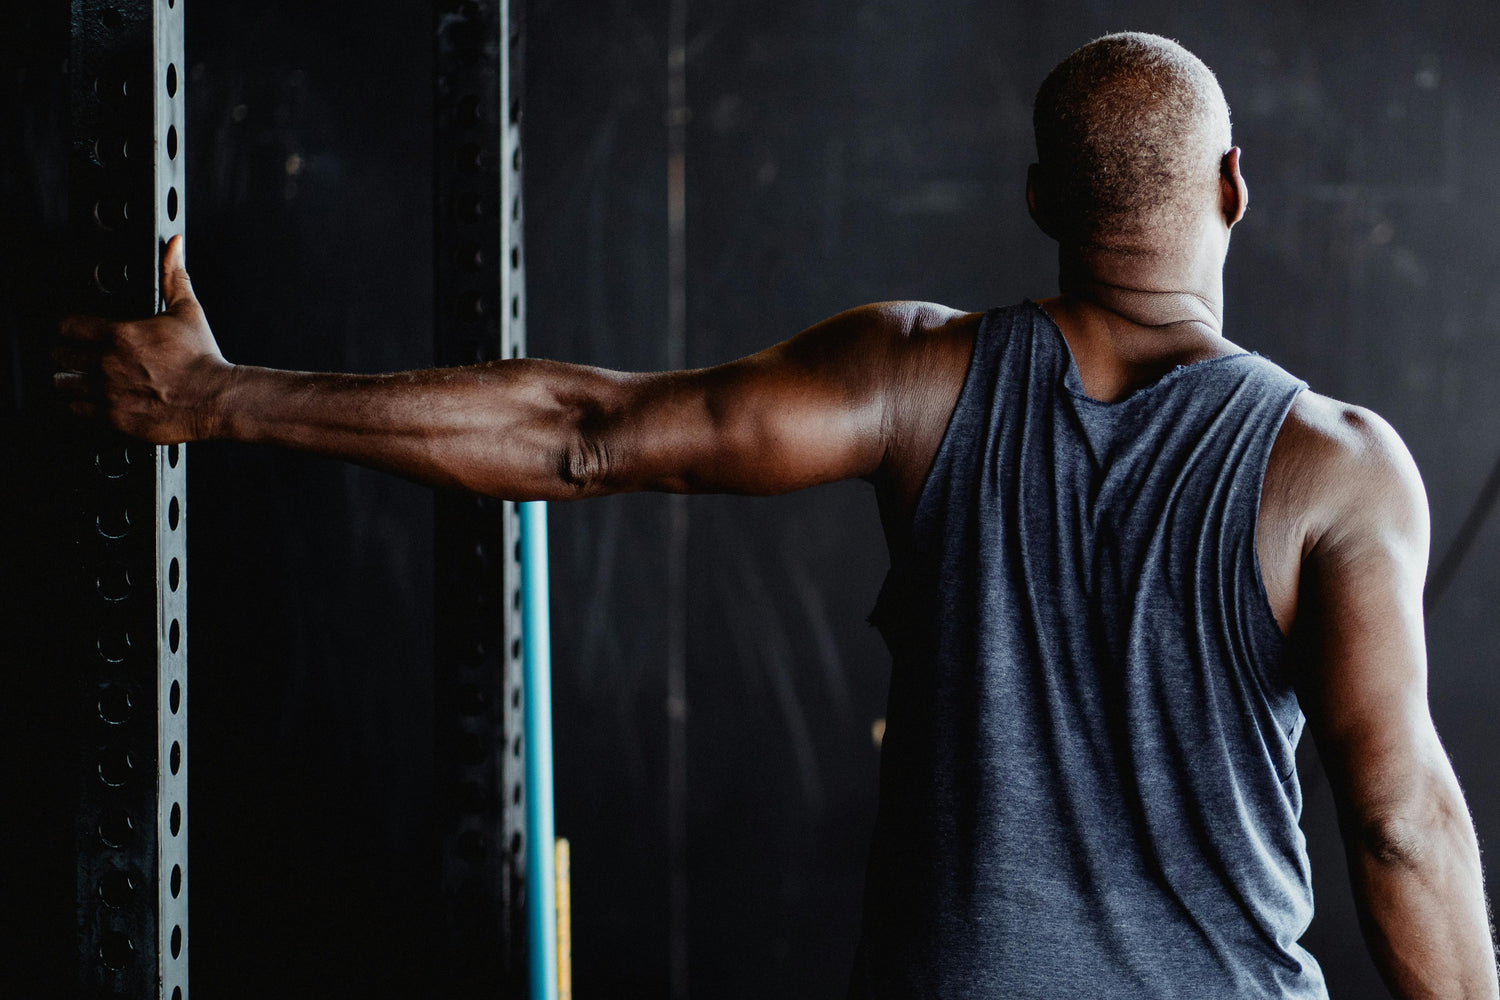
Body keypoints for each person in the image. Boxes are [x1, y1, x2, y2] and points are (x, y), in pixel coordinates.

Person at [55, 30, 1496, 1000]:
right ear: (1235, 189)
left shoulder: (913, 382)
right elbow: (1399, 824)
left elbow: (584, 436)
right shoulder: (1336, 468)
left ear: (1041, 195)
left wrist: (224, 399)